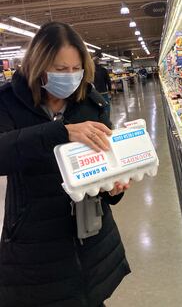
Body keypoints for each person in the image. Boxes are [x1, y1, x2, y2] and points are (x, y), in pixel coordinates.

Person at [0, 22, 131, 307]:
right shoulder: (7, 103)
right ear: (38, 64)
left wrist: (114, 188)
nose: (70, 77)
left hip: (90, 238)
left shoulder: (90, 104)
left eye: (76, 69)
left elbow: (107, 161)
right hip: (35, 241)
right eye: (60, 69)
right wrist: (60, 132)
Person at [93, 52, 112, 117]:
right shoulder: (104, 70)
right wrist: (110, 89)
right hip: (104, 91)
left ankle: (100, 119)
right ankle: (107, 119)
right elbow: (108, 81)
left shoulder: (91, 71)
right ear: (99, 62)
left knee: (96, 106)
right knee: (106, 105)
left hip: (95, 92)